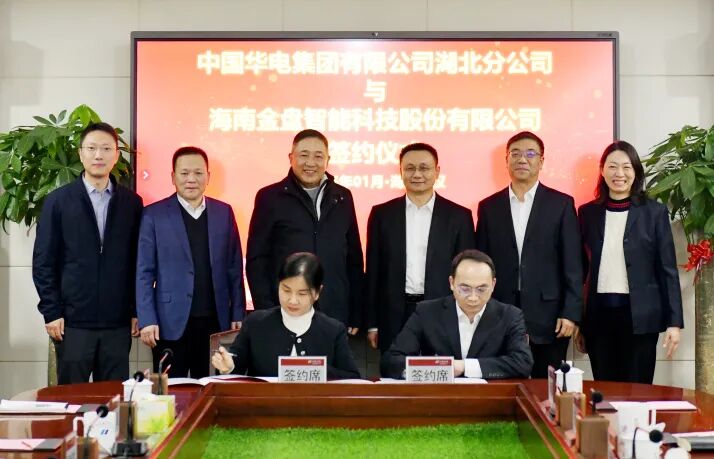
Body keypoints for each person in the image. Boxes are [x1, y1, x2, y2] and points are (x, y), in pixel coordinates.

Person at [32, 122, 143, 384]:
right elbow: (43, 262)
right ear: (80, 154)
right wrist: (52, 311)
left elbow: (137, 262)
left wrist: (137, 310)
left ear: (116, 155)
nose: (98, 155)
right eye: (92, 148)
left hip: (117, 323)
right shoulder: (58, 201)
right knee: (72, 397)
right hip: (72, 322)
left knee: (114, 398)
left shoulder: (132, 203)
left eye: (106, 149)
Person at [475, 131, 582, 378]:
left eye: (530, 154)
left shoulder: (561, 204)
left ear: (541, 161)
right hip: (499, 313)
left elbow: (573, 264)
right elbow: (481, 263)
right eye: (515, 154)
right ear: (506, 160)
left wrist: (570, 313)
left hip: (550, 316)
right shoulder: (489, 206)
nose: (522, 159)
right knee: (502, 382)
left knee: (547, 385)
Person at [576, 141, 683, 384]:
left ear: (636, 172)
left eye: (626, 167)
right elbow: (581, 270)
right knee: (605, 390)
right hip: (598, 318)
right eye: (612, 166)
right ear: (602, 170)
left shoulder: (654, 212)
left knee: (638, 390)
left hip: (641, 318)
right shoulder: (587, 213)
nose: (619, 174)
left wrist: (674, 323)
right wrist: (579, 320)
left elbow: (667, 269)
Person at [136, 146, 246, 378]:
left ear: (208, 176)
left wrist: (238, 312)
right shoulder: (154, 215)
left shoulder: (224, 213)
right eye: (184, 173)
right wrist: (147, 319)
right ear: (173, 177)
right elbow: (144, 272)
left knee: (210, 387)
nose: (191, 179)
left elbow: (234, 268)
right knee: (169, 389)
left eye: (198, 173)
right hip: (168, 323)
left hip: (214, 322)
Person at [246, 129, 363, 333]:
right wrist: (266, 312)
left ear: (327, 160)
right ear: (291, 158)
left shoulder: (343, 197)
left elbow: (353, 259)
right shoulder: (269, 197)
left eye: (318, 156)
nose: (310, 163)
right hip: (285, 309)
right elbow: (257, 260)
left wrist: (355, 311)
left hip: (334, 312)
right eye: (303, 155)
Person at [365, 142, 475, 353]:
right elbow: (373, 272)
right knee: (396, 370)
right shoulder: (382, 214)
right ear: (400, 171)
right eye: (410, 168)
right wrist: (372, 323)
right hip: (393, 314)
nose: (417, 174)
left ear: (437, 172)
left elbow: (466, 273)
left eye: (424, 168)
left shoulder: (459, 216)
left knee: (439, 371)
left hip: (443, 312)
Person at [380, 250, 533, 380]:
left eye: (481, 289)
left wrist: (464, 367)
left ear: (493, 284)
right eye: (465, 288)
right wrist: (437, 369)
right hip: (439, 397)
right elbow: (391, 361)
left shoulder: (510, 316)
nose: (473, 297)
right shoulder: (427, 312)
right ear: (452, 283)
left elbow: (523, 363)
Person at [212, 252, 361, 379]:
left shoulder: (333, 330)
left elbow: (353, 378)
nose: (292, 300)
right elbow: (234, 367)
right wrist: (228, 367)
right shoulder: (255, 323)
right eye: (286, 290)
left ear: (317, 293)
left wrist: (316, 371)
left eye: (302, 293)